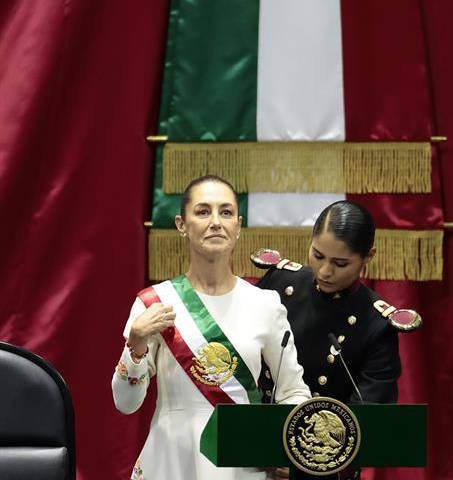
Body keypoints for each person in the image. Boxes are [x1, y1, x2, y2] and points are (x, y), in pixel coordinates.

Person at [112, 175, 311, 480]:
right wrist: (136, 343)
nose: (216, 222)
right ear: (182, 224)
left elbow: (294, 391)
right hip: (173, 461)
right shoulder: (154, 303)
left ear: (239, 226)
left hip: (244, 462)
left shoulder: (266, 305)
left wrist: (286, 449)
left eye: (226, 212)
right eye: (203, 212)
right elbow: (126, 403)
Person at [254, 201, 412, 480]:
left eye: (340, 264)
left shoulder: (376, 323)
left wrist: (301, 464)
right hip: (256, 454)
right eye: (318, 255)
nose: (325, 271)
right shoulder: (279, 283)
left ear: (368, 256)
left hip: (323, 467)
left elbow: (367, 418)